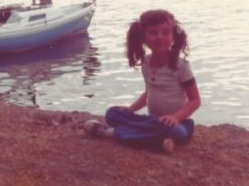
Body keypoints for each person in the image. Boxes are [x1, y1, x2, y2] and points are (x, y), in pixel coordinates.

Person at [84, 9, 201, 154]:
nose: (160, 37)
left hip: (178, 123)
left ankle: (110, 133)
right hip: (153, 120)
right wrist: (131, 109)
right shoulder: (146, 63)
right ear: (143, 38)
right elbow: (148, 94)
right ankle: (157, 142)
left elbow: (195, 100)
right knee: (112, 114)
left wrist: (175, 117)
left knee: (173, 131)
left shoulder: (180, 66)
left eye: (165, 32)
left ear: (173, 36)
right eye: (153, 33)